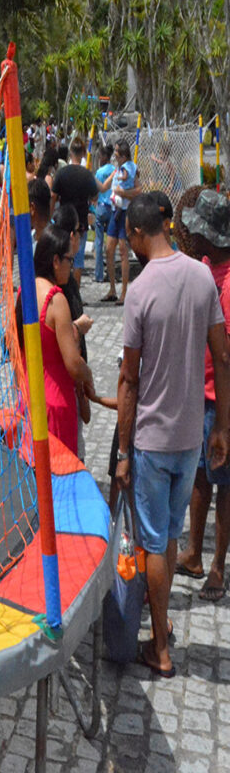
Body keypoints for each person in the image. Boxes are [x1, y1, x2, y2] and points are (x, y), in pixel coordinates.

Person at [115, 194, 230, 677]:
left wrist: (122, 452)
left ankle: (159, 647)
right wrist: (222, 425)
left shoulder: (140, 291)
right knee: (169, 532)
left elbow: (128, 380)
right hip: (190, 439)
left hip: (151, 441)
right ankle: (161, 633)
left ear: (139, 235)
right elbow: (222, 357)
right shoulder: (203, 276)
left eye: (130, 237)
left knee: (156, 541)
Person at [174, 190, 230, 602]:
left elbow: (225, 357)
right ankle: (193, 552)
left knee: (224, 483)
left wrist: (225, 423)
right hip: (200, 393)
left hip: (221, 401)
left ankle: (216, 566)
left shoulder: (228, 286)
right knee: (199, 476)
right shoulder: (207, 268)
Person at [29, 224, 94, 456]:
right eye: (70, 259)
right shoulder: (56, 299)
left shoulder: (25, 292)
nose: (72, 266)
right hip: (56, 403)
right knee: (62, 481)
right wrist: (89, 377)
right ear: (56, 261)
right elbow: (73, 363)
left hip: (30, 396)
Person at [50, 139, 98, 286]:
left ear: (71, 153)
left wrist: (51, 214)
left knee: (63, 254)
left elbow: (53, 195)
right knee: (78, 259)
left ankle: (62, 288)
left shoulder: (62, 173)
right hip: (80, 221)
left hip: (64, 220)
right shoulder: (87, 174)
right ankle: (75, 292)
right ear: (83, 154)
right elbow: (95, 196)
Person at [103, 140, 138, 303]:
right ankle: (112, 289)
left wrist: (122, 193)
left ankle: (124, 292)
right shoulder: (117, 169)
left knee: (123, 250)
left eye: (117, 151)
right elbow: (104, 186)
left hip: (125, 212)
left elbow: (138, 190)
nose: (114, 154)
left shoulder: (131, 168)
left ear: (123, 154)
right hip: (114, 211)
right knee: (109, 249)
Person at [92, 145, 115, 284]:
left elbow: (96, 191)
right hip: (112, 208)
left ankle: (99, 274)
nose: (99, 159)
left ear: (104, 157)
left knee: (99, 242)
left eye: (100, 156)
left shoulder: (99, 172)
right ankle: (111, 271)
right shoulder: (114, 170)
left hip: (101, 207)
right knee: (111, 243)